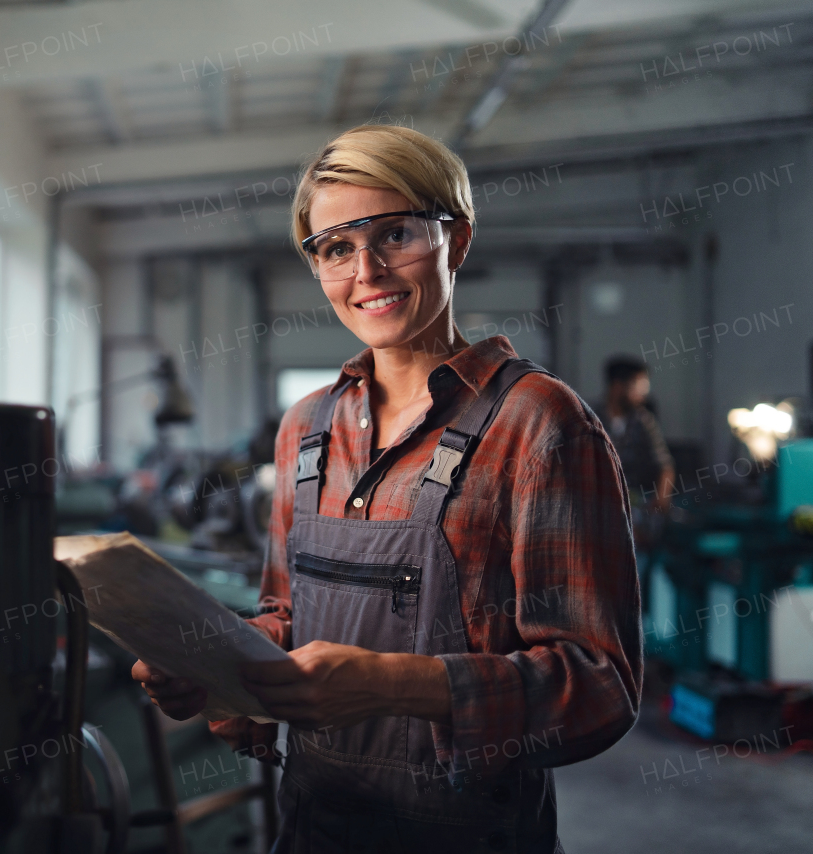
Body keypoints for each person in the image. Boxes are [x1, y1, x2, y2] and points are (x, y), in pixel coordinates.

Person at [131, 124, 642, 853]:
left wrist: (398, 685)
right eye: (336, 247)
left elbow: (598, 689)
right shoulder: (306, 429)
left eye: (395, 233)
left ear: (456, 240)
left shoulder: (539, 424)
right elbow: (288, 617)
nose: (366, 270)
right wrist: (215, 662)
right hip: (312, 827)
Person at [596, 356, 676, 513]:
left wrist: (662, 497)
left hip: (636, 504)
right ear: (618, 386)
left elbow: (665, 465)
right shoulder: (589, 417)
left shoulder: (643, 420)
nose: (644, 394)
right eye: (639, 387)